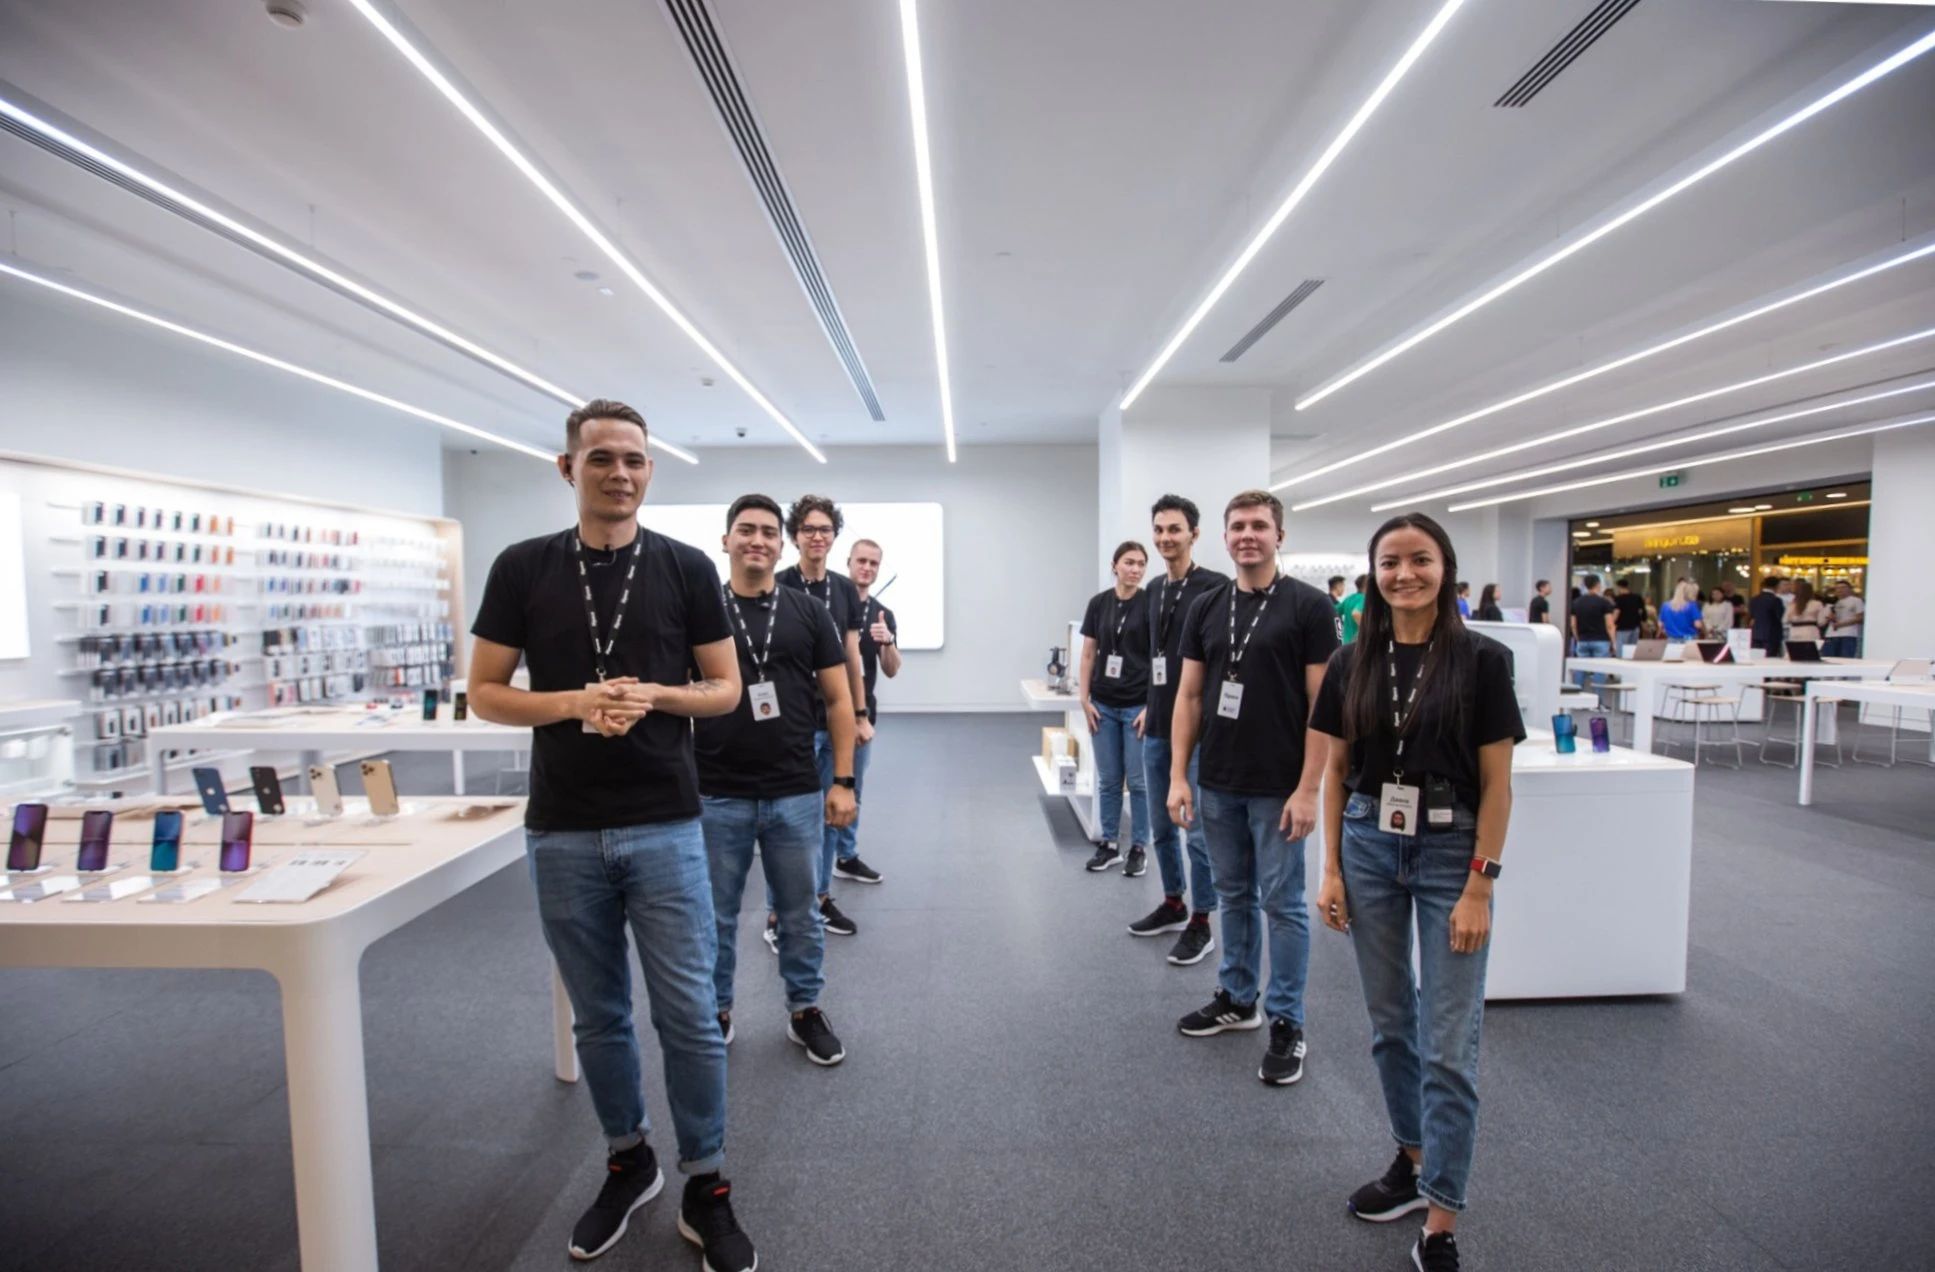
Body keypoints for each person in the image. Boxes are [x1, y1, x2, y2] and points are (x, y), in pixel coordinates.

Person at [467, 400, 756, 1270]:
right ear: (568, 469)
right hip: (562, 828)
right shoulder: (522, 567)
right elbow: (485, 691)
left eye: (633, 459)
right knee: (599, 1019)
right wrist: (575, 703)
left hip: (667, 823)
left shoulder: (684, 567)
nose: (619, 473)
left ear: (649, 471)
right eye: (600, 459)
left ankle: (706, 1182)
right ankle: (628, 1162)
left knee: (690, 1017)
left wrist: (653, 695)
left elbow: (725, 689)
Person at [1311, 512, 1524, 1272]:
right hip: (1368, 845)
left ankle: (1440, 1219)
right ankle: (1409, 1157)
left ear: (1445, 568)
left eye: (1420, 560)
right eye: (1390, 562)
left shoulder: (1482, 661)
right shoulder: (1350, 662)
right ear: (1373, 576)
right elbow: (1337, 773)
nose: (1404, 574)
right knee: (1391, 1024)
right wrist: (1331, 868)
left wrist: (1479, 886)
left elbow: (1497, 785)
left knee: (1449, 1046)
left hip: (1449, 851)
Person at [1167, 490, 1338, 1086]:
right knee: (1233, 894)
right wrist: (1178, 776)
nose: (1247, 535)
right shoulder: (1207, 607)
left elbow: (1322, 706)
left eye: (1259, 526)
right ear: (1224, 537)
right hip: (1217, 780)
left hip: (1278, 786)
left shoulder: (1310, 606)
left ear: (1278, 536)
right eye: (1238, 526)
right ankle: (1238, 998)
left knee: (1283, 905)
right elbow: (1189, 696)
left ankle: (1287, 1020)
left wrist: (1309, 789)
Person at [696, 495, 855, 1068]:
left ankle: (805, 1009)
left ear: (779, 544)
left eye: (767, 532)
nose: (757, 540)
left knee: (800, 912)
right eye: (746, 530)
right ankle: (716, 1010)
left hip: (794, 788)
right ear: (726, 541)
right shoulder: (701, 610)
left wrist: (843, 780)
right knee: (715, 915)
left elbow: (838, 699)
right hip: (718, 790)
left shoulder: (809, 613)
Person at [769, 496, 875, 946]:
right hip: (792, 721)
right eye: (809, 529)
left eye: (825, 529)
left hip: (836, 719)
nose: (817, 536)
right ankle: (777, 913)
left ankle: (821, 896)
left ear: (835, 536)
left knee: (834, 812)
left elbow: (851, 655)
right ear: (795, 535)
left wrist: (859, 713)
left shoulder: (844, 589)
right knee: (789, 822)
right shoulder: (777, 584)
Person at [1131, 494, 1228, 966]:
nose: (1165, 537)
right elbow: (1158, 659)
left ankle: (1202, 920)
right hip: (1157, 726)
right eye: (1159, 529)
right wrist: (1149, 706)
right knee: (1161, 826)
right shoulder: (1153, 589)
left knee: (1197, 832)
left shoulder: (1216, 588)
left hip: (1197, 732)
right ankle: (1173, 902)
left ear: (1194, 533)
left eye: (1175, 529)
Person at [1079, 542, 1152, 874]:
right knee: (1108, 780)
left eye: (1141, 564)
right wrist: (1084, 699)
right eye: (1129, 562)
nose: (1135, 569)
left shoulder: (1150, 603)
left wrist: (1152, 706)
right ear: (1115, 566)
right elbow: (1088, 654)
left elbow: (1161, 659)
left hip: (1137, 706)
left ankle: (1138, 847)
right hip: (1103, 705)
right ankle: (1109, 845)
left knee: (1138, 782)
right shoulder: (1099, 604)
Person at [839, 537, 901, 872]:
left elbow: (891, 669)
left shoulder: (882, 615)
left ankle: (846, 856)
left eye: (873, 563)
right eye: (861, 561)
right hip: (820, 714)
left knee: (853, 790)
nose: (866, 568)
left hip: (861, 716)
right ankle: (813, 865)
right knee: (814, 794)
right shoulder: (827, 603)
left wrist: (887, 642)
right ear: (848, 562)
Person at [1569, 574, 1615, 689]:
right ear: (1598, 585)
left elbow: (1573, 624)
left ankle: (1577, 694)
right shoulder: (1604, 602)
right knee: (1599, 670)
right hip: (1601, 640)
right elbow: (1610, 625)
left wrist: (1578, 638)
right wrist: (1613, 642)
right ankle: (1598, 698)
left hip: (1583, 640)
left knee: (1580, 669)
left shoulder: (1576, 602)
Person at [1824, 580, 1865, 658]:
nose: (1840, 590)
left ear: (1850, 589)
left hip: (1848, 634)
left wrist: (1841, 624)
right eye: (1837, 588)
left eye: (1843, 587)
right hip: (1831, 634)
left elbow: (1860, 618)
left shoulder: (1856, 600)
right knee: (1828, 659)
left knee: (1845, 659)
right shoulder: (1835, 602)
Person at [1785, 578, 1829, 645]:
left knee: (1795, 650)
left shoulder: (1792, 605)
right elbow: (1821, 622)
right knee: (1811, 651)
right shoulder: (1817, 604)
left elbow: (1785, 620)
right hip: (1811, 632)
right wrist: (1827, 617)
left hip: (1794, 632)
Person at [1750, 576, 1785, 657]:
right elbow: (1780, 617)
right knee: (1770, 659)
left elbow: (1752, 615)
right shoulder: (1776, 600)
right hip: (1771, 635)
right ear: (1776, 586)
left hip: (1756, 634)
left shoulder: (1755, 599)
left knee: (1757, 658)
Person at [1611, 577, 1645, 652]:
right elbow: (1641, 612)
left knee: (1621, 650)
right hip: (1635, 627)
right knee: (1632, 651)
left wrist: (1611, 623)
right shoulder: (1637, 597)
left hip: (1623, 628)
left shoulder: (1619, 599)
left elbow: (1616, 613)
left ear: (1619, 587)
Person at [1339, 574, 1369, 644]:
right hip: (1357, 644)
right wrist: (1369, 630)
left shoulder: (1349, 598)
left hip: (1345, 643)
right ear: (1367, 586)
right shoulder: (1363, 599)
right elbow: (1356, 614)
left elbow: (1334, 610)